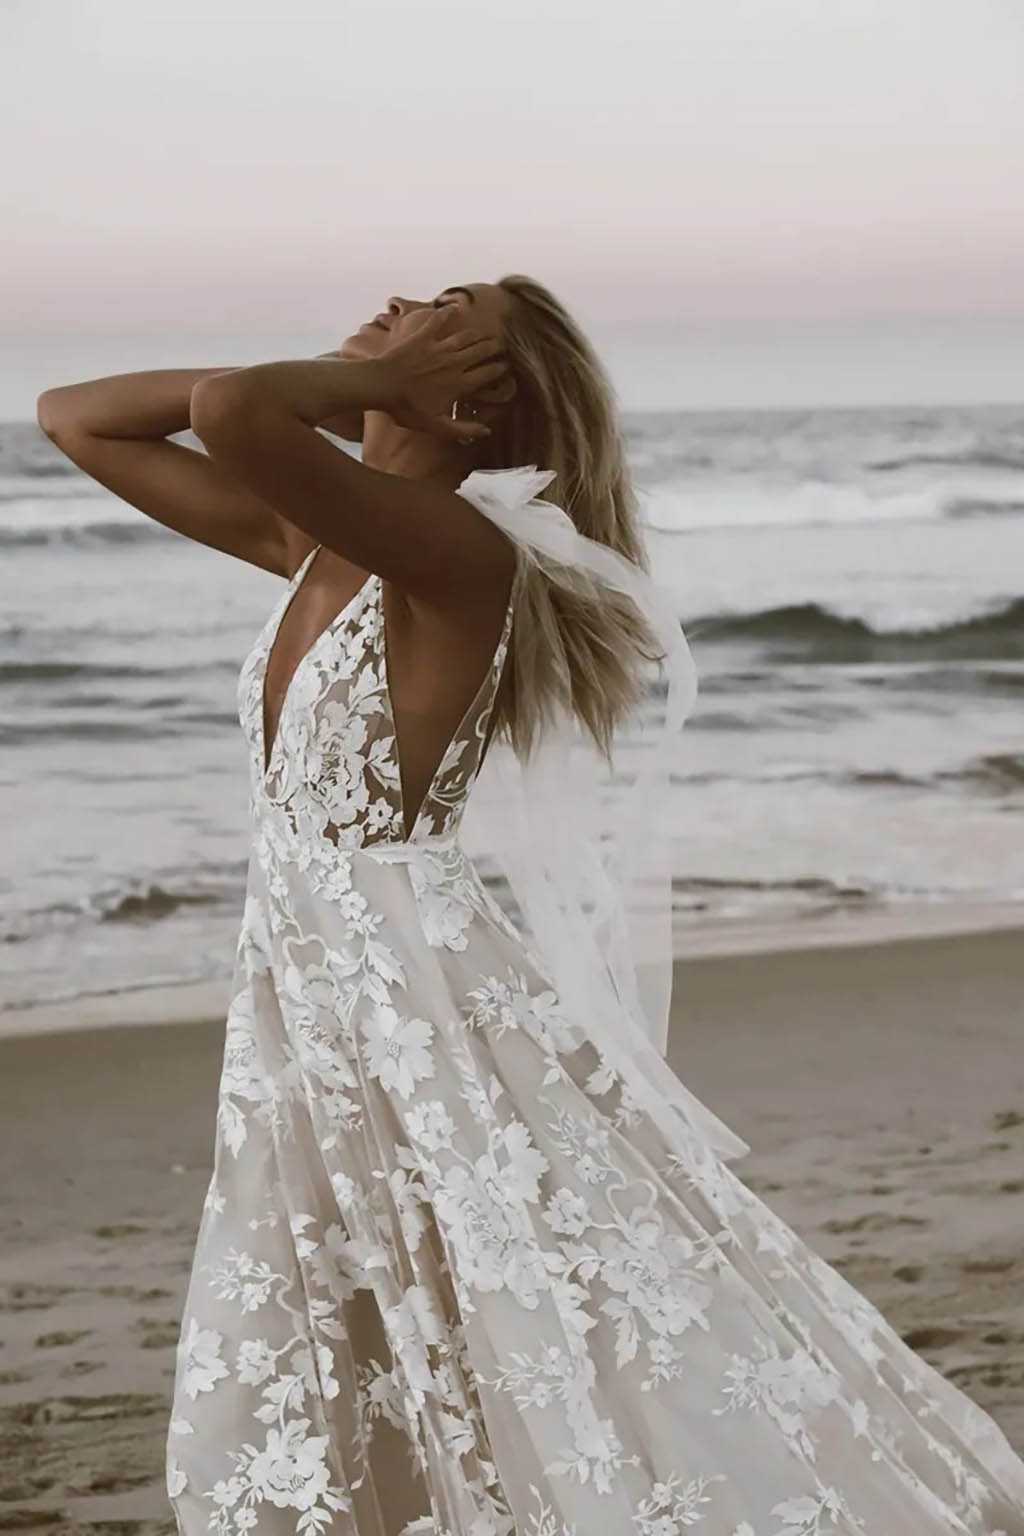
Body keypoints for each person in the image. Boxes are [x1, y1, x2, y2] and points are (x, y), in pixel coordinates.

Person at [38, 277, 1024, 1535]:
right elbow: (75, 418)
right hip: (318, 975)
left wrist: (364, 391)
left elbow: (231, 405)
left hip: (408, 982)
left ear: (470, 398)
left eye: (437, 310)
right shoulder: (318, 542)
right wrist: (383, 384)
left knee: (541, 1283)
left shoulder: (453, 548)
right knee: (372, 1278)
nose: (392, 299)